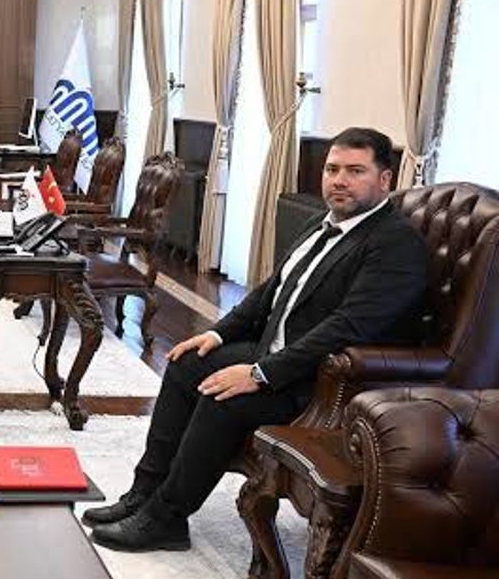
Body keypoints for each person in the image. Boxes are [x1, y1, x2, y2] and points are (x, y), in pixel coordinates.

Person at [85, 127, 429, 552]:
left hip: (324, 384)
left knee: (223, 395)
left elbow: (347, 328)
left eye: (355, 171)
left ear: (385, 179)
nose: (339, 180)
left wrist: (259, 374)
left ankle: (166, 519)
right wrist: (216, 334)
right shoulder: (322, 224)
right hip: (279, 354)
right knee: (185, 363)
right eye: (332, 169)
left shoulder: (395, 244)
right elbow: (269, 292)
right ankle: (144, 493)